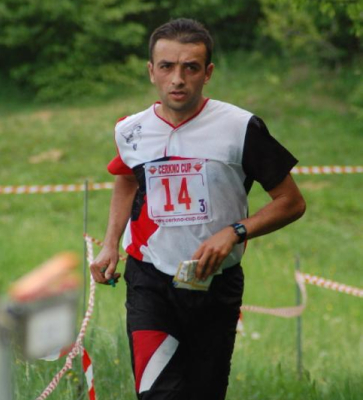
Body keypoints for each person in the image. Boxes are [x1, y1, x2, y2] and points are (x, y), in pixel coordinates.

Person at [90, 18, 306, 400]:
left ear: (208, 73)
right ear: (151, 71)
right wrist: (110, 244)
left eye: (190, 67)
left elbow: (291, 202)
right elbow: (126, 178)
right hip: (149, 277)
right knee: (157, 394)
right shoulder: (130, 130)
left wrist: (235, 232)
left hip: (214, 282)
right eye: (167, 66)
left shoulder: (240, 127)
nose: (178, 79)